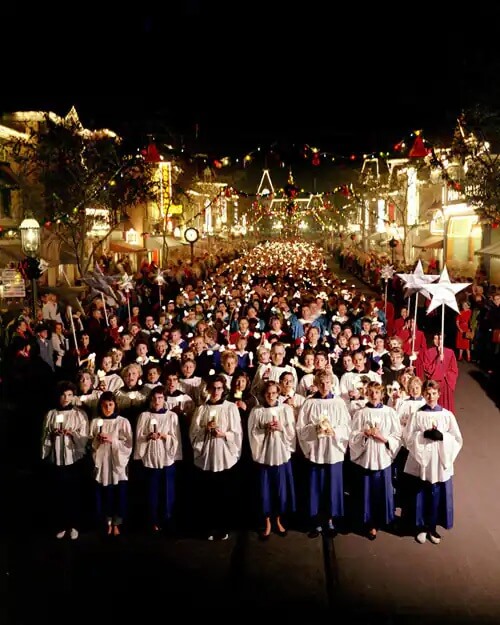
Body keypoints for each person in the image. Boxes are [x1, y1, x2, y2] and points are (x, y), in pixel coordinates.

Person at [402, 379, 463, 544]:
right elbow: (407, 437)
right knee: (421, 493)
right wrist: (421, 436)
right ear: (423, 394)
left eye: (434, 393)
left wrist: (442, 437)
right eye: (427, 394)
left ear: (439, 395)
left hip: (439, 461)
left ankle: (432, 528)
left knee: (437, 494)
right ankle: (420, 527)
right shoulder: (417, 414)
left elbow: (457, 439)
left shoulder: (447, 415)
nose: (430, 396)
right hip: (421, 461)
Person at [296, 370, 351, 538]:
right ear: (316, 384)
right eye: (321, 383)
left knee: (332, 488)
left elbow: (347, 426)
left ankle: (330, 521)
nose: (325, 386)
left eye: (327, 383)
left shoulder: (339, 403)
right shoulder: (309, 403)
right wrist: (314, 429)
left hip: (334, 451)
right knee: (316, 487)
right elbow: (300, 428)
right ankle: (316, 522)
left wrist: (335, 431)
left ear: (332, 383)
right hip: (317, 450)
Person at [189, 375, 242, 541]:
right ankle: (209, 527)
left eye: (219, 388)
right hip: (208, 456)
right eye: (213, 388)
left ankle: (224, 526)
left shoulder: (230, 408)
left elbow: (237, 432)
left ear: (223, 389)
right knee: (208, 495)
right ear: (209, 389)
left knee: (224, 494)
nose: (216, 392)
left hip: (224, 455)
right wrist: (205, 429)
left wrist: (224, 434)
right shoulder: (202, 409)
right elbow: (193, 432)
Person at [348, 381, 402, 540]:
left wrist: (384, 439)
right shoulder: (361, 413)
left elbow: (397, 436)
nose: (373, 395)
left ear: (382, 394)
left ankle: (384, 519)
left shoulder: (389, 412)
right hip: (366, 458)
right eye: (370, 392)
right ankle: (369, 522)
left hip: (382, 458)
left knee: (382, 492)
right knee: (367, 492)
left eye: (376, 392)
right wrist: (364, 434)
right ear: (366, 394)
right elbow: (352, 436)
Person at [40, 381, 89, 540]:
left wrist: (71, 434)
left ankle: (74, 525)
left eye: (69, 395)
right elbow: (45, 435)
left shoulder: (79, 414)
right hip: (56, 460)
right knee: (58, 494)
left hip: (73, 460)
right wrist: (51, 438)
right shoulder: (51, 414)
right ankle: (61, 524)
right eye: (63, 395)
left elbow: (84, 437)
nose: (66, 398)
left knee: (73, 493)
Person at [247, 380, 296, 540]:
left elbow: (291, 431)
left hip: (281, 454)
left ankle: (278, 520)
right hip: (265, 455)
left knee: (280, 490)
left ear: (279, 393)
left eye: (274, 393)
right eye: (268, 393)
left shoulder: (285, 409)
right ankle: (267, 522)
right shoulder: (257, 411)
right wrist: (264, 429)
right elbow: (252, 433)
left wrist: (281, 428)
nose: (271, 396)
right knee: (265, 490)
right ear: (263, 394)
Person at [134, 386, 182, 533]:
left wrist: (164, 436)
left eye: (160, 398)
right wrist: (148, 437)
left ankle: (167, 519)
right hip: (150, 458)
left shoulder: (171, 416)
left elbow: (176, 438)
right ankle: (153, 520)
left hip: (167, 458)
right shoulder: (144, 416)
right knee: (152, 492)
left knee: (168, 492)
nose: (157, 401)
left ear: (164, 399)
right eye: (154, 398)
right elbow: (138, 437)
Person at [90, 392, 133, 536]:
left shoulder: (122, 422)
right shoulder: (96, 422)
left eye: (110, 404)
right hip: (102, 463)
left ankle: (117, 522)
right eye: (104, 405)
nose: (107, 408)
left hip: (117, 464)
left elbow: (128, 443)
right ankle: (107, 521)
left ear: (115, 405)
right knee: (105, 493)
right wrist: (97, 440)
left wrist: (112, 440)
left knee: (118, 493)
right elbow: (90, 443)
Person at [422, 334, 458, 413]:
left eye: (440, 339)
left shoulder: (450, 352)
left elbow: (454, 370)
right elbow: (427, 369)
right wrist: (438, 359)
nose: (438, 341)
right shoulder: (428, 352)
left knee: (446, 408)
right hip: (434, 384)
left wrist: (446, 375)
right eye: (435, 338)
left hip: (446, 383)